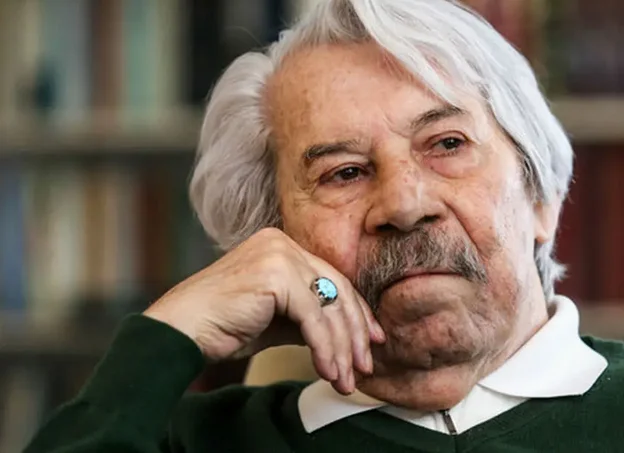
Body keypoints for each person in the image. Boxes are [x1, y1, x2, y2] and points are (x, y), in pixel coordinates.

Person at [25, 0, 624, 452]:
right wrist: (174, 329)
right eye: (344, 173)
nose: (404, 205)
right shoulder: (203, 439)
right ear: (274, 238)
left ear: (541, 197)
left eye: (447, 143)